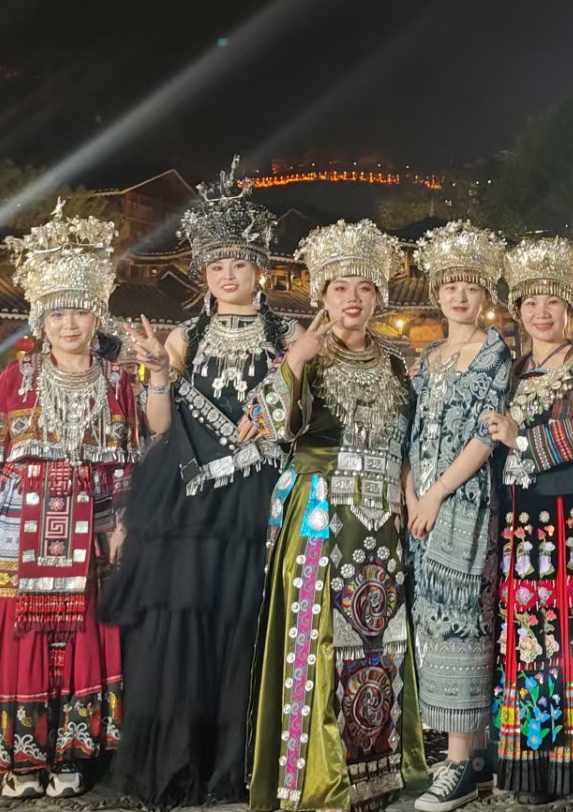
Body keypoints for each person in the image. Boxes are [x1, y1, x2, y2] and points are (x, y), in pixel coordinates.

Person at [102, 165, 292, 808]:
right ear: (203, 273)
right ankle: (181, 762)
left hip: (256, 499)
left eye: (239, 264)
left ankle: (236, 764)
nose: (228, 276)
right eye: (216, 266)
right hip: (188, 500)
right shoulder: (186, 335)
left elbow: (292, 420)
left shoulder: (287, 337)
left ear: (259, 269)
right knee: (186, 623)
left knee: (244, 622)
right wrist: (157, 370)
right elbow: (160, 423)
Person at [0, 201, 141, 799]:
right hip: (19, 527)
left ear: (96, 313)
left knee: (83, 631)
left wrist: (122, 523)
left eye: (79, 310)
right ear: (40, 318)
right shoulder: (15, 379)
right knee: (17, 631)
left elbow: (130, 461)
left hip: (95, 523)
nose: (69, 323)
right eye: (56, 312)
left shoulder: (119, 383)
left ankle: (73, 751)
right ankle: (18, 755)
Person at [249, 219, 426, 812]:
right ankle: (320, 779)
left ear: (379, 296)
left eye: (365, 288)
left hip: (381, 520)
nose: (353, 299)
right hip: (323, 515)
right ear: (321, 295)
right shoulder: (307, 358)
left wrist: (407, 496)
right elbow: (268, 432)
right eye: (340, 288)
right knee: (321, 637)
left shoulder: (399, 369)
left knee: (379, 638)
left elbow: (407, 448)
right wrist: (295, 359)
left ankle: (374, 769)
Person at [481, 237, 573, 806]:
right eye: (531, 303)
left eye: (553, 304)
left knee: (571, 632)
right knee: (524, 635)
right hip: (519, 523)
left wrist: (520, 438)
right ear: (518, 312)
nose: (542, 313)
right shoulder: (512, 370)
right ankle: (524, 763)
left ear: (570, 312)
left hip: (571, 521)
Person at [404, 221, 512, 812]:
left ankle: (459, 763)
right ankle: (466, 752)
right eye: (450, 286)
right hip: (422, 506)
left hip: (462, 503)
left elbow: (485, 436)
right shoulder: (429, 356)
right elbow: (415, 432)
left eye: (471, 287)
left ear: (485, 295)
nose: (460, 297)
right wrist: (410, 491)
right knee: (432, 623)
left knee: (463, 622)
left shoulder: (494, 353)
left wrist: (437, 491)